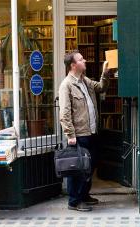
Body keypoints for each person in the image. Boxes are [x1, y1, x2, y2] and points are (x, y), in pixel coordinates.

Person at [59, 50, 109, 211]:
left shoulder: (84, 80)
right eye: (81, 59)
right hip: (79, 135)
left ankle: (84, 195)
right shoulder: (66, 85)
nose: (85, 60)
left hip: (92, 132)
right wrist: (70, 134)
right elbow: (64, 113)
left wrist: (105, 73)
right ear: (73, 65)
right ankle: (74, 201)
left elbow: (101, 87)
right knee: (78, 169)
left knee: (90, 166)